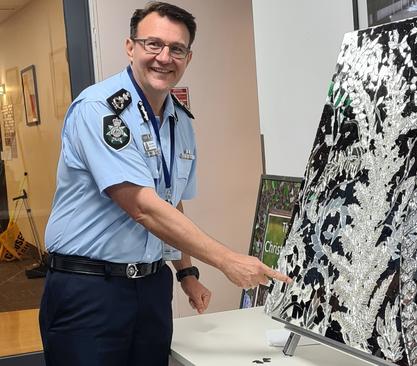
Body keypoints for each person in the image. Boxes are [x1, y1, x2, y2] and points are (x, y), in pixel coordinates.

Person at [39, 2, 290, 365]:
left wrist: (185, 272)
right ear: (130, 47)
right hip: (90, 289)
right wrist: (227, 260)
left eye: (176, 49)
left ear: (188, 57)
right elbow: (142, 206)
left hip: (151, 288)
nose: (164, 57)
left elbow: (169, 202)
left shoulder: (179, 120)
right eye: (152, 44)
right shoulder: (100, 109)